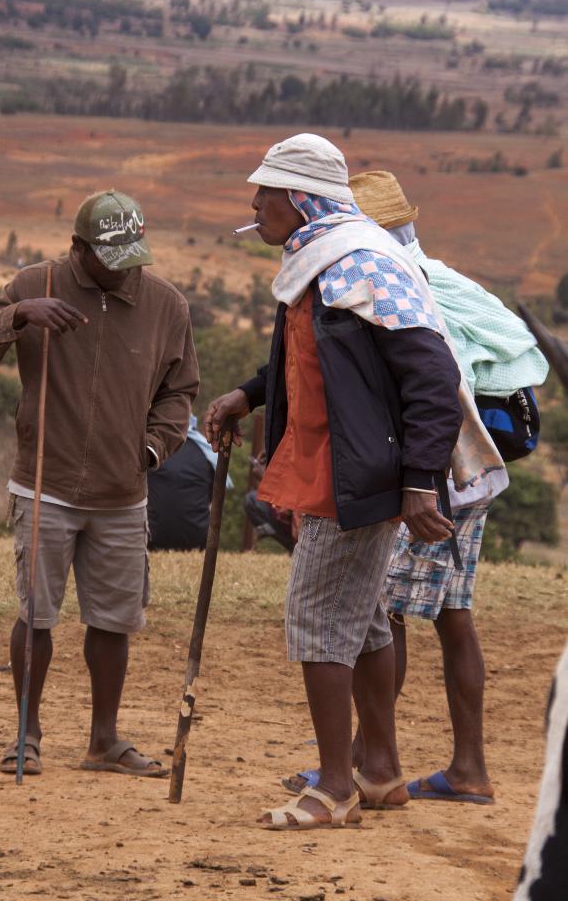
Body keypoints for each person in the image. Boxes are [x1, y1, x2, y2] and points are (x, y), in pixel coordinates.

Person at [205, 133, 465, 830]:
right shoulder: (322, 263)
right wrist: (247, 395)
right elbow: (322, 358)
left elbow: (434, 379)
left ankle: (335, 789)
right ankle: (378, 771)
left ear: (299, 198)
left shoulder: (360, 263)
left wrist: (417, 481)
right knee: (364, 620)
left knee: (317, 620)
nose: (254, 203)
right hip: (331, 462)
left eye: (264, 193)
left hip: (354, 472)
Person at [285, 170, 547, 805]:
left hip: (428, 483)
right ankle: (468, 769)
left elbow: (412, 387)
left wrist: (414, 484)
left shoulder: (390, 285)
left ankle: (370, 762)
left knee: (386, 613)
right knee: (454, 618)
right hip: (474, 476)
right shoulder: (451, 282)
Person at [0, 189, 199, 778]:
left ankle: (104, 741)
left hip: (123, 492)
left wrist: (151, 449)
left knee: (115, 620)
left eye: (132, 257)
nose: (124, 270)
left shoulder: (166, 305)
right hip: (47, 483)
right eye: (110, 258)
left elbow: (179, 392)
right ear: (77, 249)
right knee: (37, 614)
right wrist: (19, 315)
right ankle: (26, 733)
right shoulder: (36, 282)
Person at [147, 415, 233, 551]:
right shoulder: (206, 452)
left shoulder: (151, 450)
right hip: (198, 540)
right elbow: (214, 496)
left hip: (152, 538)